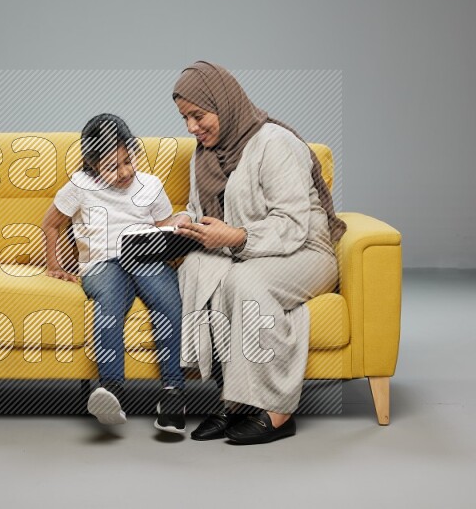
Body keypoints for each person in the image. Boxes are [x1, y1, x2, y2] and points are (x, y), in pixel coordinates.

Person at [167, 61, 347, 444]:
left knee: (244, 280)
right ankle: (236, 401)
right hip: (250, 250)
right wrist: (184, 221)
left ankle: (278, 410)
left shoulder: (274, 143)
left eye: (198, 115)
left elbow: (293, 224)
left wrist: (235, 237)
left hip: (304, 251)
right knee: (202, 270)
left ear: (224, 102)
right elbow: (203, 212)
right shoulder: (203, 156)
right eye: (185, 118)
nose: (191, 128)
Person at [42, 114, 187, 433]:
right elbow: (52, 223)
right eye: (112, 166)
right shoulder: (79, 187)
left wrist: (182, 224)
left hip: (145, 256)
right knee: (109, 300)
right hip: (102, 264)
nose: (124, 172)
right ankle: (112, 389)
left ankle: (173, 393)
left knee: (167, 299)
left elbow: (163, 227)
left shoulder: (150, 185)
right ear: (93, 165)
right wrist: (54, 265)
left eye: (127, 161)